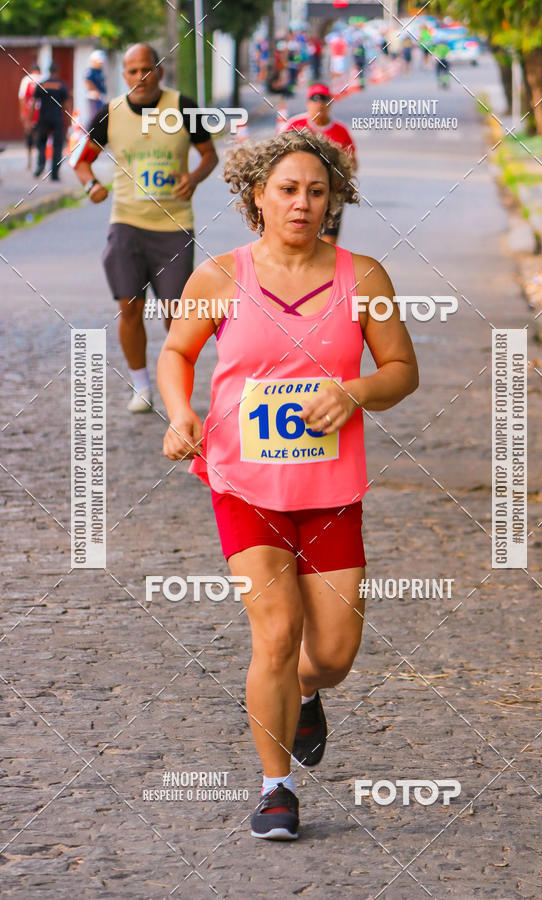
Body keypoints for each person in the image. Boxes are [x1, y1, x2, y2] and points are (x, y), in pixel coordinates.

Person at [157, 130, 419, 839]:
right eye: (287, 189)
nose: (302, 203)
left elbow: (402, 370)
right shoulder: (220, 276)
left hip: (331, 488)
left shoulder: (364, 278)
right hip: (243, 482)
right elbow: (177, 352)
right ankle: (277, 789)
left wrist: (355, 391)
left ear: (334, 201)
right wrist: (181, 414)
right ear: (256, 196)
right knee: (275, 633)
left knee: (329, 655)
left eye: (316, 191)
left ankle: (305, 692)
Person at [71, 42, 218, 413]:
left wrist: (194, 178)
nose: (140, 77)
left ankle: (176, 389)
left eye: (146, 69)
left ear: (159, 71)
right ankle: (141, 386)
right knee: (130, 307)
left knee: (175, 314)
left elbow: (209, 155)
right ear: (124, 75)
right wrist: (91, 186)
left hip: (174, 226)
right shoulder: (110, 114)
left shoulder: (182, 107)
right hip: (127, 222)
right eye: (133, 71)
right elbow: (81, 161)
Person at [283, 83, 356, 245]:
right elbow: (277, 157)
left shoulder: (341, 131)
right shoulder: (295, 125)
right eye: (314, 100)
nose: (319, 104)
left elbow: (353, 163)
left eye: (324, 99)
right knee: (302, 239)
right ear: (307, 103)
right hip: (301, 193)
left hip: (332, 193)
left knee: (329, 244)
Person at [33, 62, 70, 181]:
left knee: (41, 143)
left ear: (49, 71)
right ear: (57, 71)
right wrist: (69, 121)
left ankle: (41, 165)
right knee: (57, 146)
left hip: (43, 118)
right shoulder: (61, 85)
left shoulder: (42, 84)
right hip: (57, 119)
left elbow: (34, 103)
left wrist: (31, 119)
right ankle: (55, 173)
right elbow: (66, 105)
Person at [18, 63, 41, 170]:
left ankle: (30, 160)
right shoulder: (43, 79)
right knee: (40, 136)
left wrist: (23, 113)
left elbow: (22, 98)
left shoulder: (26, 80)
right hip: (40, 112)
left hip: (29, 112)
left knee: (29, 136)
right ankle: (39, 160)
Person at [84, 49, 107, 121]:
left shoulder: (99, 70)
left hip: (100, 97)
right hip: (94, 97)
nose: (101, 64)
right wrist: (97, 91)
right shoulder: (90, 71)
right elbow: (87, 80)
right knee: (95, 117)